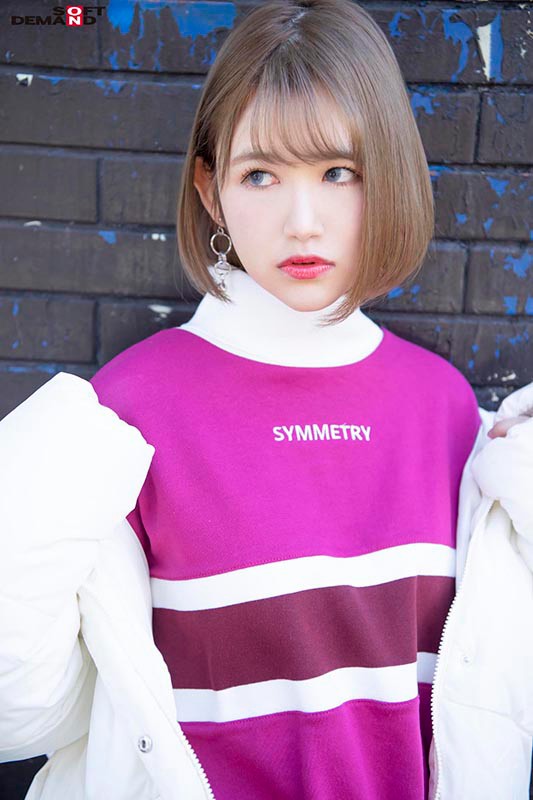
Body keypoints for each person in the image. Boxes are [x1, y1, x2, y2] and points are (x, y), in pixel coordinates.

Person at [0, 1, 532, 798]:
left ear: (386, 175)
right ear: (210, 189)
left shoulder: (447, 412)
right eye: (260, 175)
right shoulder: (124, 415)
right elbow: (24, 713)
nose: (302, 222)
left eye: (338, 172)